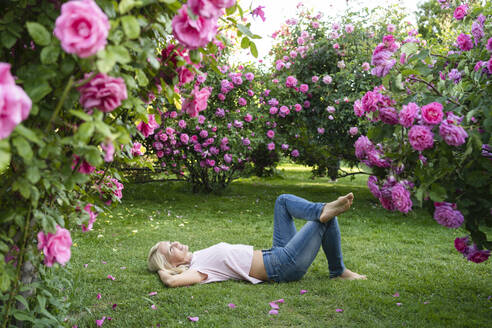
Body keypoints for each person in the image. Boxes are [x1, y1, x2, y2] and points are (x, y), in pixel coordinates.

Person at [147, 193, 366, 287]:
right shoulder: (197, 268)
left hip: (275, 253)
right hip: (282, 266)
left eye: (171, 242)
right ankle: (338, 271)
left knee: (282, 202)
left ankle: (322, 210)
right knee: (324, 221)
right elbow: (172, 281)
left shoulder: (199, 256)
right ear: (171, 263)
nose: (175, 243)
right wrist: (161, 269)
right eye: (170, 249)